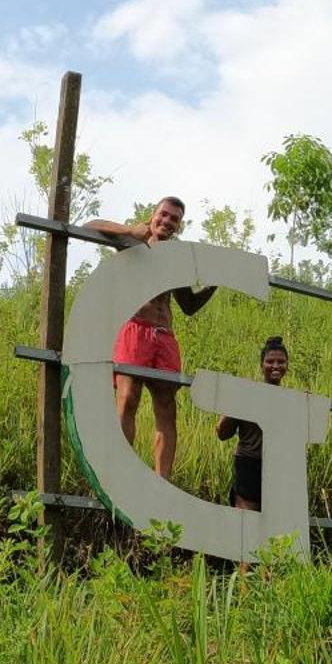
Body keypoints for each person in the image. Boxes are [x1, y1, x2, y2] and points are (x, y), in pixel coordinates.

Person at [84, 197, 214, 479]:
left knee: (167, 406)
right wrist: (131, 230)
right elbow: (90, 225)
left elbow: (189, 306)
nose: (167, 221)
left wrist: (214, 281)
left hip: (164, 335)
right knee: (128, 397)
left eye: (174, 219)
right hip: (134, 328)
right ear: (152, 216)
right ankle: (118, 473)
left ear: (178, 226)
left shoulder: (175, 260)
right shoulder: (132, 243)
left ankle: (160, 482)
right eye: (163, 215)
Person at [216, 336, 288, 514]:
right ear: (261, 364)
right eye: (270, 361)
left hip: (279, 466)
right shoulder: (247, 394)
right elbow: (222, 433)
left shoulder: (291, 400)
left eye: (281, 361)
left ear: (288, 365)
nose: (276, 366)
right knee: (247, 523)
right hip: (249, 463)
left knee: (276, 525)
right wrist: (237, 403)